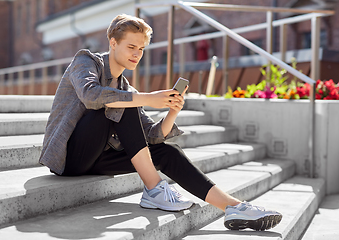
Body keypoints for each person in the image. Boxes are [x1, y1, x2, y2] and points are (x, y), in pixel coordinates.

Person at [39, 14, 282, 231]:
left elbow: (151, 136)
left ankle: (234, 206)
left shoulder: (126, 88)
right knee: (122, 103)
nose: (137, 54)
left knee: (167, 152)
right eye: (131, 47)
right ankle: (155, 189)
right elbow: (91, 96)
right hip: (68, 158)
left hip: (99, 159)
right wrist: (148, 98)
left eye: (142, 49)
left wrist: (172, 111)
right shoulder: (86, 61)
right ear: (113, 43)